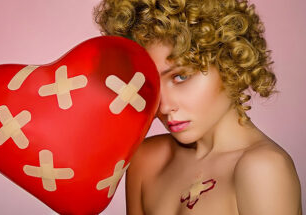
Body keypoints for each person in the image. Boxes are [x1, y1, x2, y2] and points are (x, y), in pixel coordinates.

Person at [93, 0, 302, 214]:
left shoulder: (263, 170)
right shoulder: (147, 160)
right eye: (150, 83)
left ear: (229, 61)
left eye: (181, 76)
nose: (163, 106)